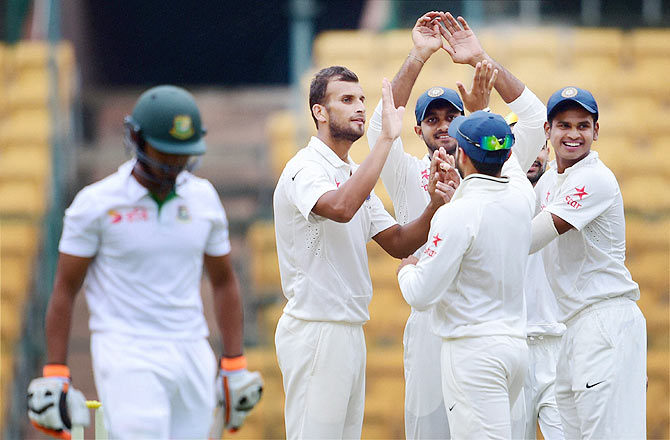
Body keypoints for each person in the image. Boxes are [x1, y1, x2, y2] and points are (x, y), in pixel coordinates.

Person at [27, 85, 262, 439]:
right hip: (126, 349)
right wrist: (56, 370)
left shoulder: (204, 199)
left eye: (182, 154)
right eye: (165, 152)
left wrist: (234, 364)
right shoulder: (96, 204)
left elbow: (224, 281)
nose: (174, 163)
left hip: (191, 349)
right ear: (135, 138)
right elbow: (64, 288)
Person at [366, 11, 546, 438]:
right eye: (433, 119)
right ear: (417, 128)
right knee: (430, 430)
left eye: (452, 116)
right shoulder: (408, 172)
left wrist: (482, 59)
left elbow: (536, 121)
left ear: (468, 125)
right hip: (433, 323)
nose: (444, 126)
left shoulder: (496, 171)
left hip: (483, 326)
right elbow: (378, 132)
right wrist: (416, 57)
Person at [273, 68, 454, 440]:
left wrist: (434, 204)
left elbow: (399, 242)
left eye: (361, 100)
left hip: (349, 330)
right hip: (316, 328)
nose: (358, 108)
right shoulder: (304, 168)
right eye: (346, 100)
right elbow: (341, 208)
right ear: (319, 112)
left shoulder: (352, 172)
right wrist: (387, 138)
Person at [529, 86, 646, 439]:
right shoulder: (549, 181)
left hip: (605, 320)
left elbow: (527, 238)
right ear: (548, 132)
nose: (574, 134)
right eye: (564, 125)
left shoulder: (595, 178)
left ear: (596, 131)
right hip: (573, 327)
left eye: (583, 125)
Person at [508, 121, 566, 439]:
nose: (533, 154)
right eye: (521, 145)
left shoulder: (566, 189)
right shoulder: (490, 198)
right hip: (510, 348)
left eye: (539, 146)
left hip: (558, 346)